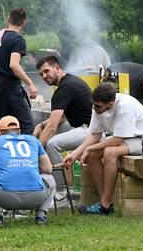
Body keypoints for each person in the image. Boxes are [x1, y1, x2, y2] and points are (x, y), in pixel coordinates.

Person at [63, 82, 143, 215]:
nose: (94, 108)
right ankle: (106, 204)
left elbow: (117, 140)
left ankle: (104, 205)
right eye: (94, 104)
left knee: (110, 152)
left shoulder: (125, 106)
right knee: (93, 154)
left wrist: (90, 148)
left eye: (98, 106)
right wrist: (75, 153)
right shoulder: (97, 107)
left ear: (110, 104)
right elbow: (95, 135)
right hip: (129, 138)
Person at [0, 116, 56, 225]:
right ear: (19, 131)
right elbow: (48, 169)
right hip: (36, 197)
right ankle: (41, 216)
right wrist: (28, 171)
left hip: (5, 198)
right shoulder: (33, 140)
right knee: (50, 179)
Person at [33, 56, 93, 188]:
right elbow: (63, 117)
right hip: (81, 126)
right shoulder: (69, 82)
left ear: (57, 68)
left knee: (52, 144)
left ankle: (60, 192)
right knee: (45, 132)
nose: (44, 76)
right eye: (41, 74)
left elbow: (52, 128)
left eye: (47, 71)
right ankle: (44, 177)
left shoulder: (64, 89)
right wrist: (40, 125)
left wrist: (33, 153)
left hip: (91, 131)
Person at [0, 8, 37, 135]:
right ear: (23, 22)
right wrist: (30, 84)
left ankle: (2, 154)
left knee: (2, 127)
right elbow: (14, 65)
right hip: (11, 89)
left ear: (8, 19)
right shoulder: (18, 40)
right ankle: (25, 154)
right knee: (26, 126)